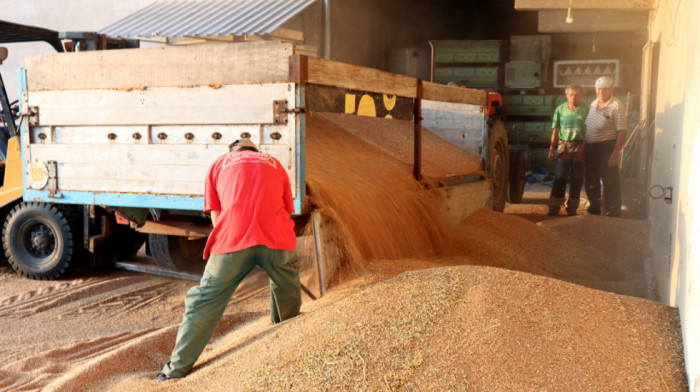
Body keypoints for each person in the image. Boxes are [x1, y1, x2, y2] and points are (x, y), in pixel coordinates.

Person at [157, 138, 301, 381]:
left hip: (234, 240)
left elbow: (216, 215)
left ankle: (174, 371)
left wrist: (230, 243)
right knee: (286, 289)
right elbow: (286, 209)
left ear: (233, 151)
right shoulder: (275, 163)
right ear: (256, 151)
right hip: (277, 240)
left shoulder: (218, 165)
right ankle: (288, 346)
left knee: (204, 301)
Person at [583, 76, 627, 217]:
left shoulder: (616, 105)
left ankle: (613, 212)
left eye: (604, 89)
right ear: (595, 89)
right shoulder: (593, 103)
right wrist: (584, 147)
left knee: (610, 181)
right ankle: (595, 209)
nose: (601, 91)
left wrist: (615, 153)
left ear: (611, 89)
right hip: (591, 148)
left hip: (606, 148)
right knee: (591, 180)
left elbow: (622, 131)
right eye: (598, 88)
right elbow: (588, 127)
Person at [547, 84, 588, 216]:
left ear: (581, 96)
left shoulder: (587, 110)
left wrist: (585, 148)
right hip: (564, 146)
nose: (573, 97)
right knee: (560, 177)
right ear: (566, 95)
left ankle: (572, 208)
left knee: (577, 178)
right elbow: (555, 130)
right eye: (571, 94)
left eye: (576, 95)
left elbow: (591, 131)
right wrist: (551, 149)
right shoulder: (560, 109)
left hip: (581, 146)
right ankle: (554, 207)